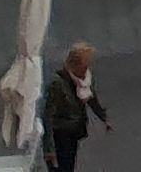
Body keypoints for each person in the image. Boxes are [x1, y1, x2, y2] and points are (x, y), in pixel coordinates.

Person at [42, 42, 109, 172]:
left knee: (69, 166)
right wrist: (49, 148)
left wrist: (103, 117)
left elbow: (91, 98)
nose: (86, 70)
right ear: (75, 65)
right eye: (84, 67)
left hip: (73, 133)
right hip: (60, 136)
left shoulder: (83, 81)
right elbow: (48, 117)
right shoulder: (58, 85)